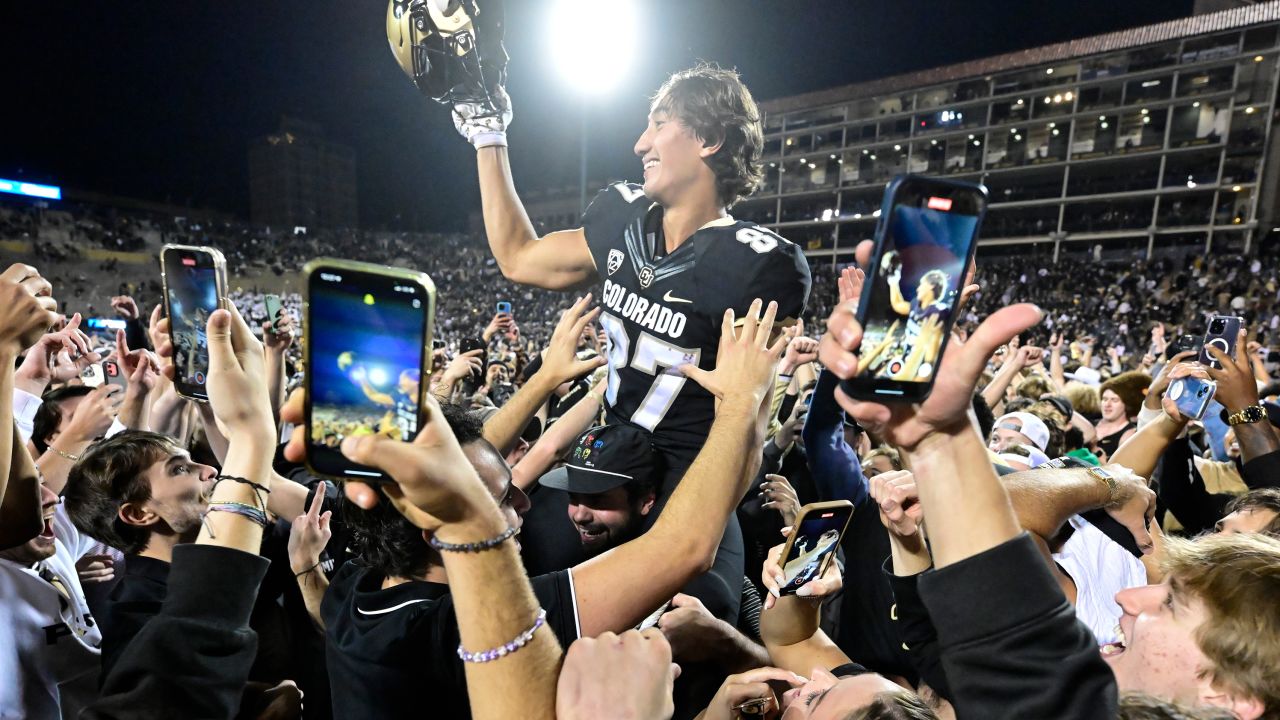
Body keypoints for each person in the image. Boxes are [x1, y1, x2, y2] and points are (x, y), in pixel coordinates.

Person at [537, 424, 660, 558]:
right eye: (573, 498)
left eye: (596, 500)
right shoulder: (554, 546)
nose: (579, 516)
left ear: (645, 501)